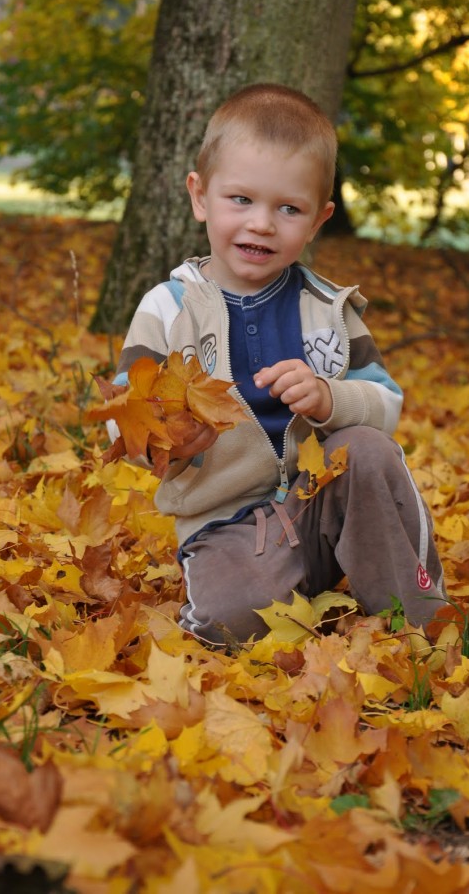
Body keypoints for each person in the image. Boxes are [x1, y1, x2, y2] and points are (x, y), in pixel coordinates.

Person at [111, 83, 446, 646]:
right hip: (226, 525)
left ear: (318, 220)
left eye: (288, 208)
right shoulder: (168, 309)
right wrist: (166, 435)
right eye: (240, 199)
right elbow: (125, 417)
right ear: (200, 196)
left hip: (322, 496)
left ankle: (416, 614)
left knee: (365, 448)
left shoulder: (328, 310)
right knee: (231, 623)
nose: (262, 223)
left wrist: (329, 397)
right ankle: (291, 584)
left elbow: (385, 404)